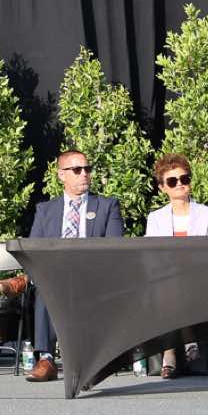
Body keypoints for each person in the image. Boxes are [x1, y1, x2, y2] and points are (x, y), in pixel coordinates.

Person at [23, 149, 124, 383]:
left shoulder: (107, 206)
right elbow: (34, 248)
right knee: (46, 283)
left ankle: (88, 361)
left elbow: (114, 248)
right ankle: (47, 359)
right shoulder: (46, 210)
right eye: (77, 170)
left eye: (87, 169)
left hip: (93, 276)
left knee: (51, 281)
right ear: (62, 175)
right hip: (55, 276)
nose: (84, 174)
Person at [142, 154, 208, 379]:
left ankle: (170, 354)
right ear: (162, 188)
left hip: (199, 277)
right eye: (172, 181)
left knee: (178, 284)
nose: (179, 184)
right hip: (166, 277)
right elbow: (152, 255)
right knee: (170, 284)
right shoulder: (155, 218)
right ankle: (187, 342)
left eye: (184, 179)